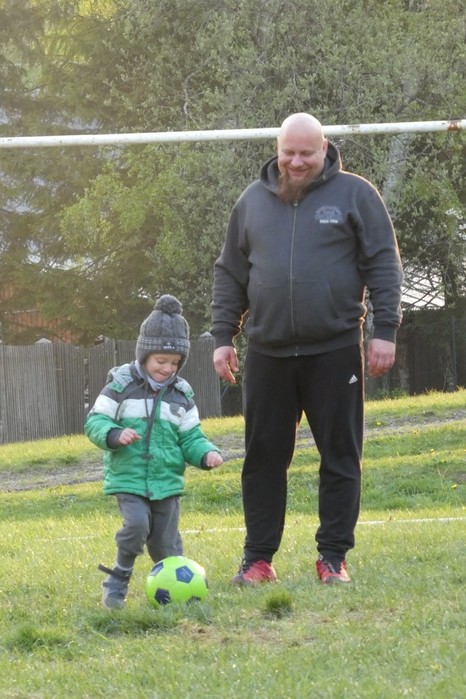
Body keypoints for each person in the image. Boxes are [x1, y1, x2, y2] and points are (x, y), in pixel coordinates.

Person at [211, 112, 403, 585]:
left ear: (324, 150)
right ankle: (258, 560)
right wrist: (222, 337)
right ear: (278, 150)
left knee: (340, 456)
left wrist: (386, 330)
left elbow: (383, 263)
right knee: (262, 460)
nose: (296, 162)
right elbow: (230, 272)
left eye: (306, 153)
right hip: (268, 353)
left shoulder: (356, 195)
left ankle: (333, 558)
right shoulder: (251, 202)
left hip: (334, 350)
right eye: (288, 153)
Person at [85, 294, 223, 608]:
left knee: (166, 544)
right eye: (161, 361)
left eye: (174, 363)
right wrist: (114, 434)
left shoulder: (181, 395)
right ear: (145, 355)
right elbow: (95, 421)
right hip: (130, 477)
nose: (167, 368)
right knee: (136, 526)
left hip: (166, 481)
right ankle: (118, 578)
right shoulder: (120, 387)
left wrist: (206, 454)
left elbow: (191, 437)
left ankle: (178, 593)